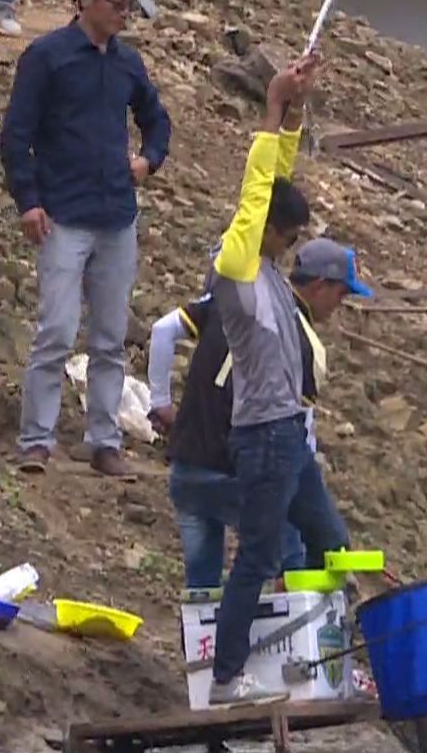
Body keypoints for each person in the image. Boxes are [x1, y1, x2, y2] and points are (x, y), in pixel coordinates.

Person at [206, 52, 369, 707]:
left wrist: (295, 113)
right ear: (269, 233)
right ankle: (226, 676)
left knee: (330, 540)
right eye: (290, 232)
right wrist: (271, 110)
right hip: (264, 438)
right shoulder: (239, 267)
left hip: (289, 441)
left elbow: (276, 179)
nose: (295, 240)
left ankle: (336, 654)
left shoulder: (274, 267)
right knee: (257, 555)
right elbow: (255, 193)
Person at [0, 0, 171, 477]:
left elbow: (156, 119)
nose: (125, 16)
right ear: (87, 1)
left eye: (131, 7)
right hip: (63, 216)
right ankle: (36, 439)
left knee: (110, 335)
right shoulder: (47, 58)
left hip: (116, 217)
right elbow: (16, 135)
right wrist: (28, 200)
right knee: (56, 329)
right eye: (118, 5)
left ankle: (104, 439)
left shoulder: (127, 64)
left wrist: (148, 160)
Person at [147, 236, 369, 596]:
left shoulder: (233, 298)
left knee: (201, 590)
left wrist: (160, 401)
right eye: (341, 296)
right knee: (293, 554)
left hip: (187, 466)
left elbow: (161, 331)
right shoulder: (304, 342)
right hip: (239, 472)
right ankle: (289, 644)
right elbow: (300, 438)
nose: (338, 307)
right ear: (320, 286)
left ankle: (206, 649)